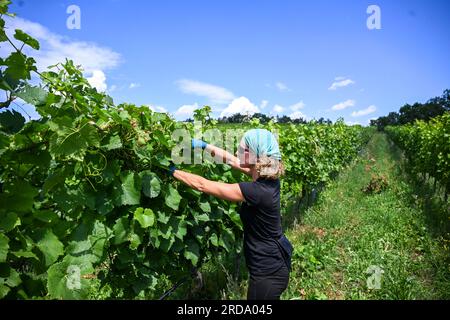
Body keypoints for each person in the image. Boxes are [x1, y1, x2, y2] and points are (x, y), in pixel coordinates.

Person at [169, 128, 292, 300]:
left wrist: (172, 171)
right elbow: (231, 160)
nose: (237, 152)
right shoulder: (265, 176)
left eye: (242, 149)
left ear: (256, 154)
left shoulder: (257, 191)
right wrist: (204, 146)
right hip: (274, 262)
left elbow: (203, 185)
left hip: (268, 273)